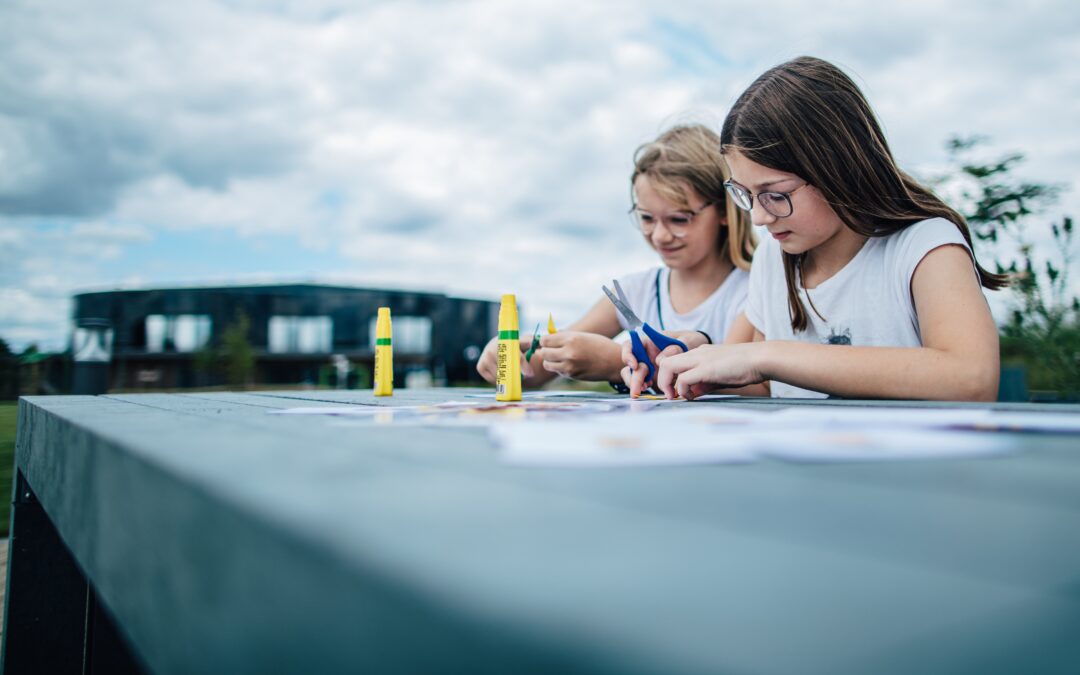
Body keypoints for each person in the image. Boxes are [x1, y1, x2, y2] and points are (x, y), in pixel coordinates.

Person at [624, 56, 1006, 401]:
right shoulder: (773, 256)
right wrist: (691, 359)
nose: (758, 217)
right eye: (745, 194)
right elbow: (757, 378)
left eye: (775, 195)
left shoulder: (925, 247)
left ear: (837, 169)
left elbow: (971, 379)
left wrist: (767, 355)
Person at [476, 123, 755, 389]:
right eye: (647, 218)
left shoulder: (754, 291)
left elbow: (754, 386)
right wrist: (507, 354)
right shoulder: (634, 293)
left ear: (724, 210)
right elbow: (541, 367)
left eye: (679, 219)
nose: (660, 235)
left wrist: (614, 363)